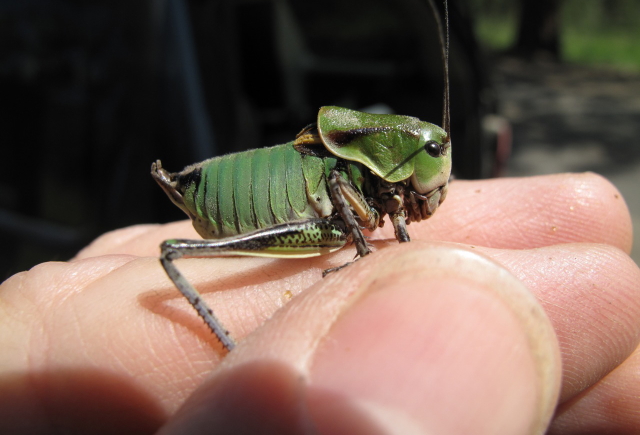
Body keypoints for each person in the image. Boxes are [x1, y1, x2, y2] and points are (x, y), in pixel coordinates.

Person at [1, 173, 638, 434]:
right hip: (231, 200)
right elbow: (338, 190)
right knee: (174, 253)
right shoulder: (344, 178)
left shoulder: (370, 184)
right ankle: (223, 342)